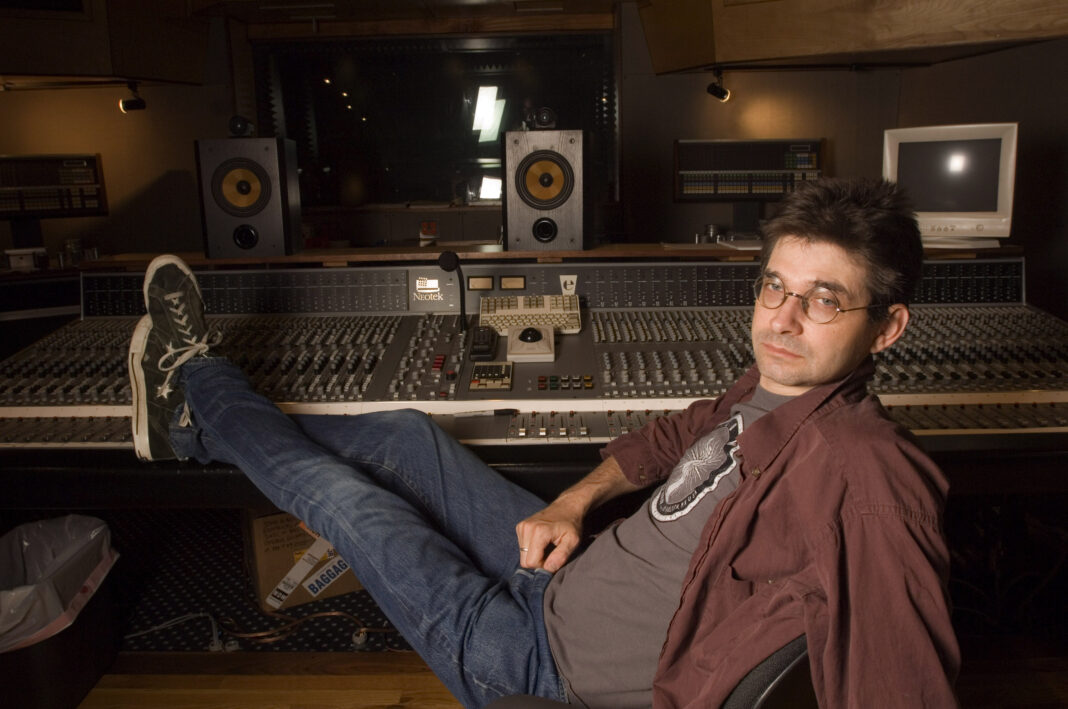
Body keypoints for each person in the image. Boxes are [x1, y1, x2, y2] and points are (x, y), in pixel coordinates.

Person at [128, 177, 960, 708]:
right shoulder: (774, 390)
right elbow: (674, 436)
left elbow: (903, 687)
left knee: (352, 505)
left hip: (537, 664)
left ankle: (197, 392)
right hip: (561, 571)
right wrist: (573, 498)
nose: (779, 318)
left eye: (822, 300)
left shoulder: (868, 475)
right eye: (775, 284)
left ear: (888, 326)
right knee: (408, 437)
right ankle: (200, 429)